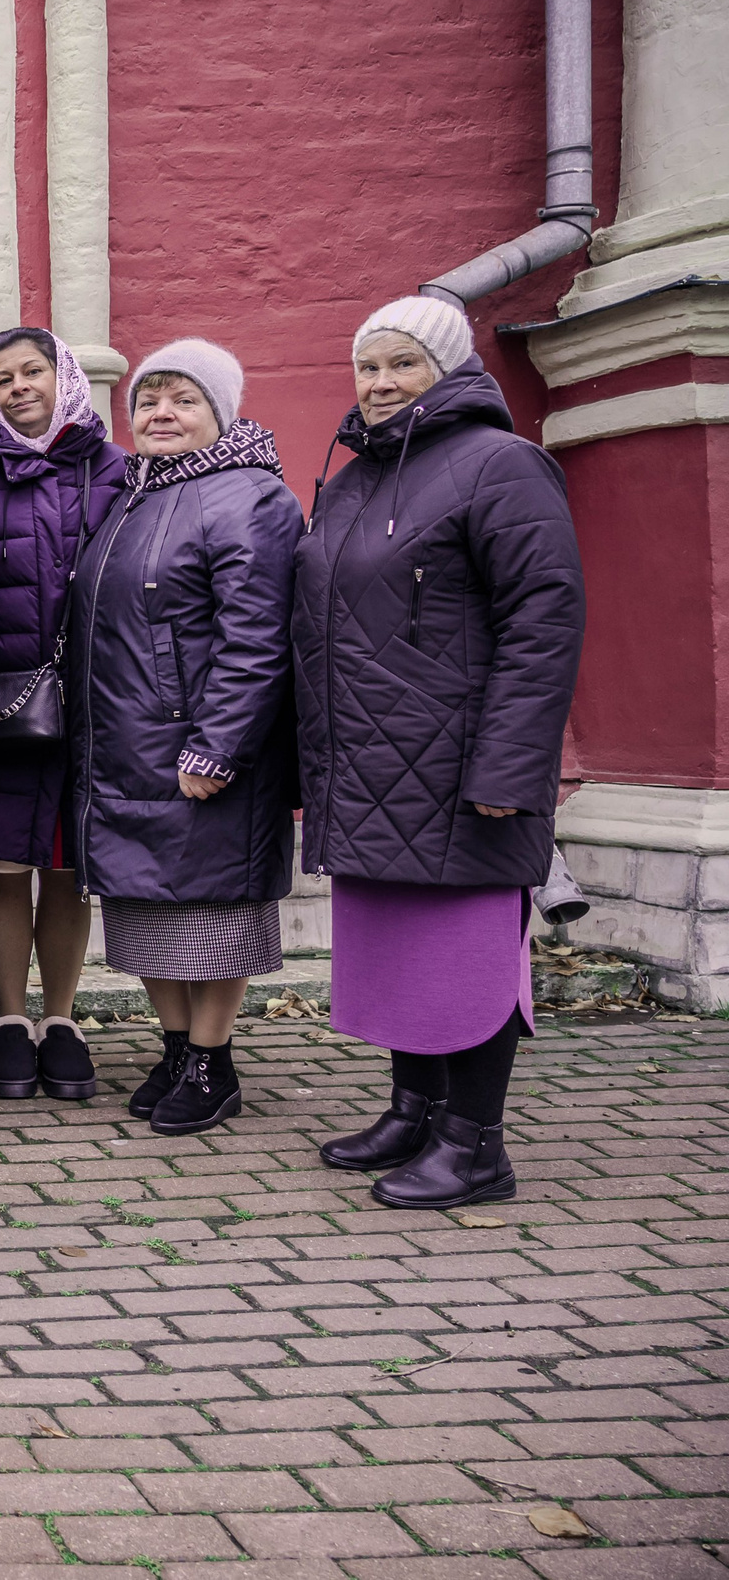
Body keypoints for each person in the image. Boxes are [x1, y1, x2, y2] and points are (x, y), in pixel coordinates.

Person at [297, 297, 584, 1208]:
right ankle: (413, 1110)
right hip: (370, 761)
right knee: (398, 951)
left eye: (402, 365)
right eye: (368, 367)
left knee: (469, 959)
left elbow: (543, 626)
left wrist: (510, 767)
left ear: (450, 370)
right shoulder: (352, 481)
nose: (380, 384)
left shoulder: (504, 466)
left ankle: (476, 1145)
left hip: (462, 766)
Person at [69, 340, 301, 1137]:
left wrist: (219, 745)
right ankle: (175, 1048)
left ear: (221, 412)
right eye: (149, 400)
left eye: (182, 399)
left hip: (197, 749)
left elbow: (256, 637)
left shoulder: (250, 497)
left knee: (214, 911)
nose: (161, 413)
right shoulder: (132, 495)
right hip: (124, 744)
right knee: (142, 912)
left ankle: (213, 1058)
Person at [0, 328, 129, 1103]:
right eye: (4, 377)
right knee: (4, 867)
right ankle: (7, 1019)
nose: (19, 386)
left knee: (67, 870)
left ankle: (60, 1018)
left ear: (62, 377)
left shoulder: (111, 468)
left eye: (34, 371)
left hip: (89, 703)